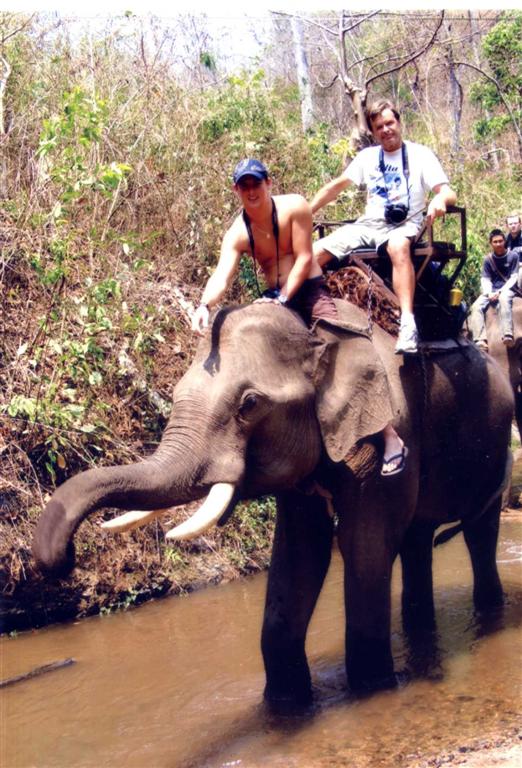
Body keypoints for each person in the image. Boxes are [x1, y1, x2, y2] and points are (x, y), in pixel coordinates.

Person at [192, 158, 407, 476]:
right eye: (244, 186)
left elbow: (305, 258)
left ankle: (390, 436)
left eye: (256, 184)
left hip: (308, 291)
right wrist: (204, 305)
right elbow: (222, 275)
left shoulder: (294, 207)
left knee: (341, 347)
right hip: (274, 299)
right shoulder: (238, 232)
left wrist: (283, 297)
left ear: (268, 183)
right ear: (236, 190)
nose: (251, 191)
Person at [310, 99, 457, 355]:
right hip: (369, 225)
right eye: (379, 126)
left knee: (398, 245)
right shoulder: (367, 157)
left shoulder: (421, 154)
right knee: (313, 252)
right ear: (373, 132)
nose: (386, 130)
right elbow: (336, 186)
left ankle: (407, 323)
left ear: (399, 123)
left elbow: (447, 192)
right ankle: (304, 307)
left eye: (390, 123)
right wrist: (306, 210)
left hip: (406, 224)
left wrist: (440, 199)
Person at [469, 229, 519, 351]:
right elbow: (485, 279)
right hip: (491, 290)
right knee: (475, 306)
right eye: (495, 242)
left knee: (503, 299)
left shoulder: (513, 256)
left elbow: (514, 277)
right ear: (491, 243)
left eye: (500, 241)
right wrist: (489, 293)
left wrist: (500, 291)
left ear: (504, 241)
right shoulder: (488, 259)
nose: (498, 244)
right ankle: (480, 339)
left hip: (508, 289)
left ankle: (507, 333)